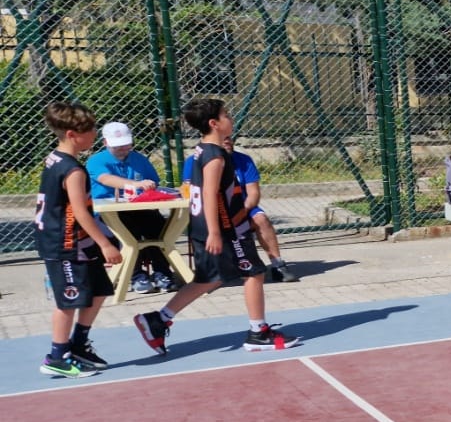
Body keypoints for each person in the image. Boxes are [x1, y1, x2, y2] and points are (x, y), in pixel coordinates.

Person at [134, 99, 299, 355]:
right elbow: (209, 193)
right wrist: (214, 231)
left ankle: (158, 319)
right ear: (214, 123)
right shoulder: (216, 157)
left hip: (211, 226)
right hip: (225, 228)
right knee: (253, 273)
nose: (230, 119)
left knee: (209, 279)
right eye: (226, 115)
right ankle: (259, 332)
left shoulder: (202, 151)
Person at [36, 103, 123, 378]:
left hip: (78, 241)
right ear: (72, 134)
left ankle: (78, 344)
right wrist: (106, 243)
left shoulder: (57, 159)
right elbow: (81, 212)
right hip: (64, 244)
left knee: (98, 290)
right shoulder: (72, 170)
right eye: (91, 130)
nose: (95, 134)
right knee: (69, 301)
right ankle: (57, 356)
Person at [182, 135, 294, 283]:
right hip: (212, 211)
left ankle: (278, 265)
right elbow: (188, 192)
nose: (227, 141)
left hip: (240, 209)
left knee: (261, 219)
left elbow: (253, 194)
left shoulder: (243, 160)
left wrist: (242, 213)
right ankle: (208, 273)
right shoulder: (194, 161)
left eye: (229, 138)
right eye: (223, 138)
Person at [87, 121, 178, 293]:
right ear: (105, 143)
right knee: (130, 233)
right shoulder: (96, 160)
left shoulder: (138, 159)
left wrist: (149, 186)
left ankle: (162, 272)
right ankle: (136, 275)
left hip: (138, 207)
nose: (123, 148)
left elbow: (153, 182)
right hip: (109, 212)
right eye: (117, 145)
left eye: (126, 144)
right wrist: (136, 184)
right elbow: (106, 179)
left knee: (157, 226)